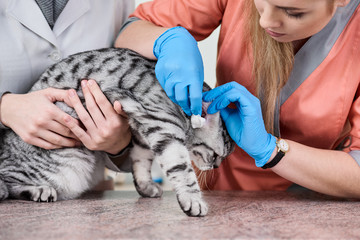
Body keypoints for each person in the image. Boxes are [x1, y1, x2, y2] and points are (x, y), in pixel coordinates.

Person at [115, 0, 360, 198]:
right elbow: (132, 30)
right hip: (221, 192)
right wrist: (167, 41)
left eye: (292, 12)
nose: (265, 21)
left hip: (313, 200)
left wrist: (270, 151)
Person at [0, 0, 134, 173]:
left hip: (81, 190)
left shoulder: (116, 3)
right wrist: (5, 108)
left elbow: (131, 145)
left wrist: (120, 144)